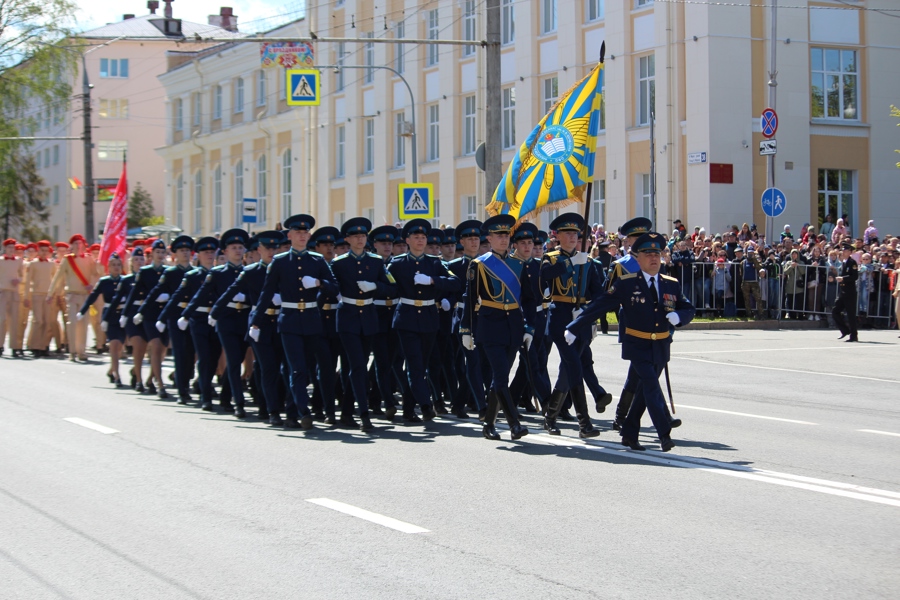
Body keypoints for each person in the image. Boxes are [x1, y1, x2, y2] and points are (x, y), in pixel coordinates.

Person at [567, 232, 695, 452]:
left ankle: (629, 433)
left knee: (645, 391)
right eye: (648, 254)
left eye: (657, 254)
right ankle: (664, 433)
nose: (654, 258)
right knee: (652, 387)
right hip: (637, 345)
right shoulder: (626, 284)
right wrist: (574, 326)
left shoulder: (670, 284)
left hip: (661, 346)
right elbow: (600, 305)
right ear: (638, 258)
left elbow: (688, 308)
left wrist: (680, 318)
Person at [253, 215, 338, 430]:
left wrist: (319, 283)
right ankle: (303, 411)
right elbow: (266, 294)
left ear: (309, 235)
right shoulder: (280, 262)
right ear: (290, 235)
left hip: (311, 320)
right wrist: (255, 322)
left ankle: (292, 412)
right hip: (289, 320)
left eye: (305, 233)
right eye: (297, 233)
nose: (302, 236)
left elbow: (335, 287)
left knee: (305, 371)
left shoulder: (316, 260)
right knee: (297, 369)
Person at [460, 214, 532, 441]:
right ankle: (514, 424)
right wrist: (466, 330)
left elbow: (529, 300)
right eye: (498, 235)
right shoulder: (479, 265)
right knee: (500, 377)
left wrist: (529, 328)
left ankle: (488, 424)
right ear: (489, 238)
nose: (503, 239)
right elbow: (471, 299)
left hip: (513, 326)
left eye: (506, 235)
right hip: (490, 326)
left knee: (499, 380)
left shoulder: (519, 264)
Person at [540, 212, 606, 439]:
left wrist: (587, 312)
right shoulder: (551, 258)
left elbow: (600, 293)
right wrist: (569, 263)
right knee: (574, 367)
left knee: (568, 370)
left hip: (581, 320)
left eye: (575, 233)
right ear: (557, 236)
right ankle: (584, 424)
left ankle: (549, 416)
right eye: (567, 233)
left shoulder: (589, 261)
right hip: (560, 319)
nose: (572, 237)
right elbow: (545, 276)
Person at [387, 218, 460, 423]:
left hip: (429, 318)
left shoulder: (434, 263)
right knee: (415, 364)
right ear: (407, 240)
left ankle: (409, 410)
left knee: (421, 365)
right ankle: (426, 405)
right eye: (416, 237)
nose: (420, 240)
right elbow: (387, 287)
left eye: (423, 237)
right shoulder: (397, 264)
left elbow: (455, 282)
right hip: (407, 318)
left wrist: (432, 280)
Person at [329, 217, 397, 432]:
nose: (360, 239)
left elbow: (392, 288)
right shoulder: (339, 263)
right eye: (355, 236)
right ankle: (364, 414)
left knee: (356, 367)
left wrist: (374, 286)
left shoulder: (376, 261)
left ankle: (347, 412)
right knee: (358, 365)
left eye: (363, 235)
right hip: (347, 317)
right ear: (347, 239)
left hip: (368, 317)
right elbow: (331, 289)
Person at [166, 237, 220, 410]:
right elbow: (177, 298)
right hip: (194, 319)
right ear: (199, 255)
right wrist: (163, 317)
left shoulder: (219, 273)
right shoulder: (193, 276)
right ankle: (185, 391)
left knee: (212, 358)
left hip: (214, 321)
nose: (210, 255)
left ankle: (204, 386)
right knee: (187, 355)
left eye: (212, 252)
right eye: (206, 252)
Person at [47, 234, 97, 362]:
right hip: (72, 295)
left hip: (84, 295)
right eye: (75, 244)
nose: (78, 246)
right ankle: (72, 351)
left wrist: (91, 284)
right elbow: (58, 278)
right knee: (72, 323)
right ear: (72, 246)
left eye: (80, 243)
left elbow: (96, 274)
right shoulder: (67, 259)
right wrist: (50, 294)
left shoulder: (89, 259)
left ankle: (81, 351)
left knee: (83, 324)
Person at [79, 253, 125, 385]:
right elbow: (93, 296)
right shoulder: (104, 282)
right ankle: (117, 376)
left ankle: (111, 370)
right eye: (113, 265)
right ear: (108, 267)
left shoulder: (125, 280)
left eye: (118, 265)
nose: (116, 268)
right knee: (114, 345)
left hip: (122, 315)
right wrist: (82, 311)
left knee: (120, 347)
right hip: (109, 315)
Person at [22, 240, 57, 357]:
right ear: (38, 251)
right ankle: (35, 345)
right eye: (42, 250)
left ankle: (43, 346)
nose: (44, 253)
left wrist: (52, 295)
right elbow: (27, 282)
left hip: (47, 295)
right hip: (36, 294)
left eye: (46, 251)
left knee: (47, 321)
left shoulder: (51, 264)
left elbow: (54, 281)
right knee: (38, 321)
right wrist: (26, 297)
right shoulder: (33, 264)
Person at [0, 238, 25, 357]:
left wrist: (18, 280)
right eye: (9, 247)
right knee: (2, 320)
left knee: (15, 320)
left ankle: (15, 346)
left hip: (14, 293)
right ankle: (0, 345)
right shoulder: (0, 260)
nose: (11, 250)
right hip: (2, 292)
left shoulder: (19, 261)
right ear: (5, 248)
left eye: (13, 248)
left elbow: (23, 276)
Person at [833, 242, 859, 342]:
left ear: (850, 252)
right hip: (843, 291)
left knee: (851, 314)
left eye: (845, 250)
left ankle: (854, 335)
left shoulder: (852, 263)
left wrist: (843, 278)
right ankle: (845, 330)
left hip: (850, 292)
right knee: (835, 311)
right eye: (843, 250)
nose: (843, 252)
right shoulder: (844, 262)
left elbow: (854, 276)